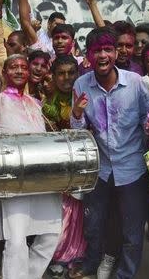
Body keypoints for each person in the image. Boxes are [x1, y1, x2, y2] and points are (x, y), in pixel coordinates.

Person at [70, 26, 149, 279]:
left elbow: (147, 120)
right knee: (94, 224)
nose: (103, 55)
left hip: (132, 169)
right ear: (89, 55)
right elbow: (80, 131)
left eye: (108, 49)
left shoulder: (135, 83)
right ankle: (91, 263)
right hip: (102, 169)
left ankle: (125, 274)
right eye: (97, 51)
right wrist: (76, 113)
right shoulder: (82, 84)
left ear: (116, 52)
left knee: (131, 231)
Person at [0, 54, 62, 279]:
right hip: (13, 180)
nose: (19, 71)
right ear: (5, 73)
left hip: (43, 181)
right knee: (16, 240)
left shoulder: (35, 104)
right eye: (13, 67)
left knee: (52, 234)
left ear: (29, 73)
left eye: (23, 67)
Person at [42, 55, 86, 278]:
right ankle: (59, 256)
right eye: (61, 73)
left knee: (79, 211)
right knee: (62, 211)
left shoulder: (85, 95)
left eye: (71, 72)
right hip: (59, 163)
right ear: (54, 76)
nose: (66, 78)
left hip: (82, 161)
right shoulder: (48, 101)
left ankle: (77, 255)